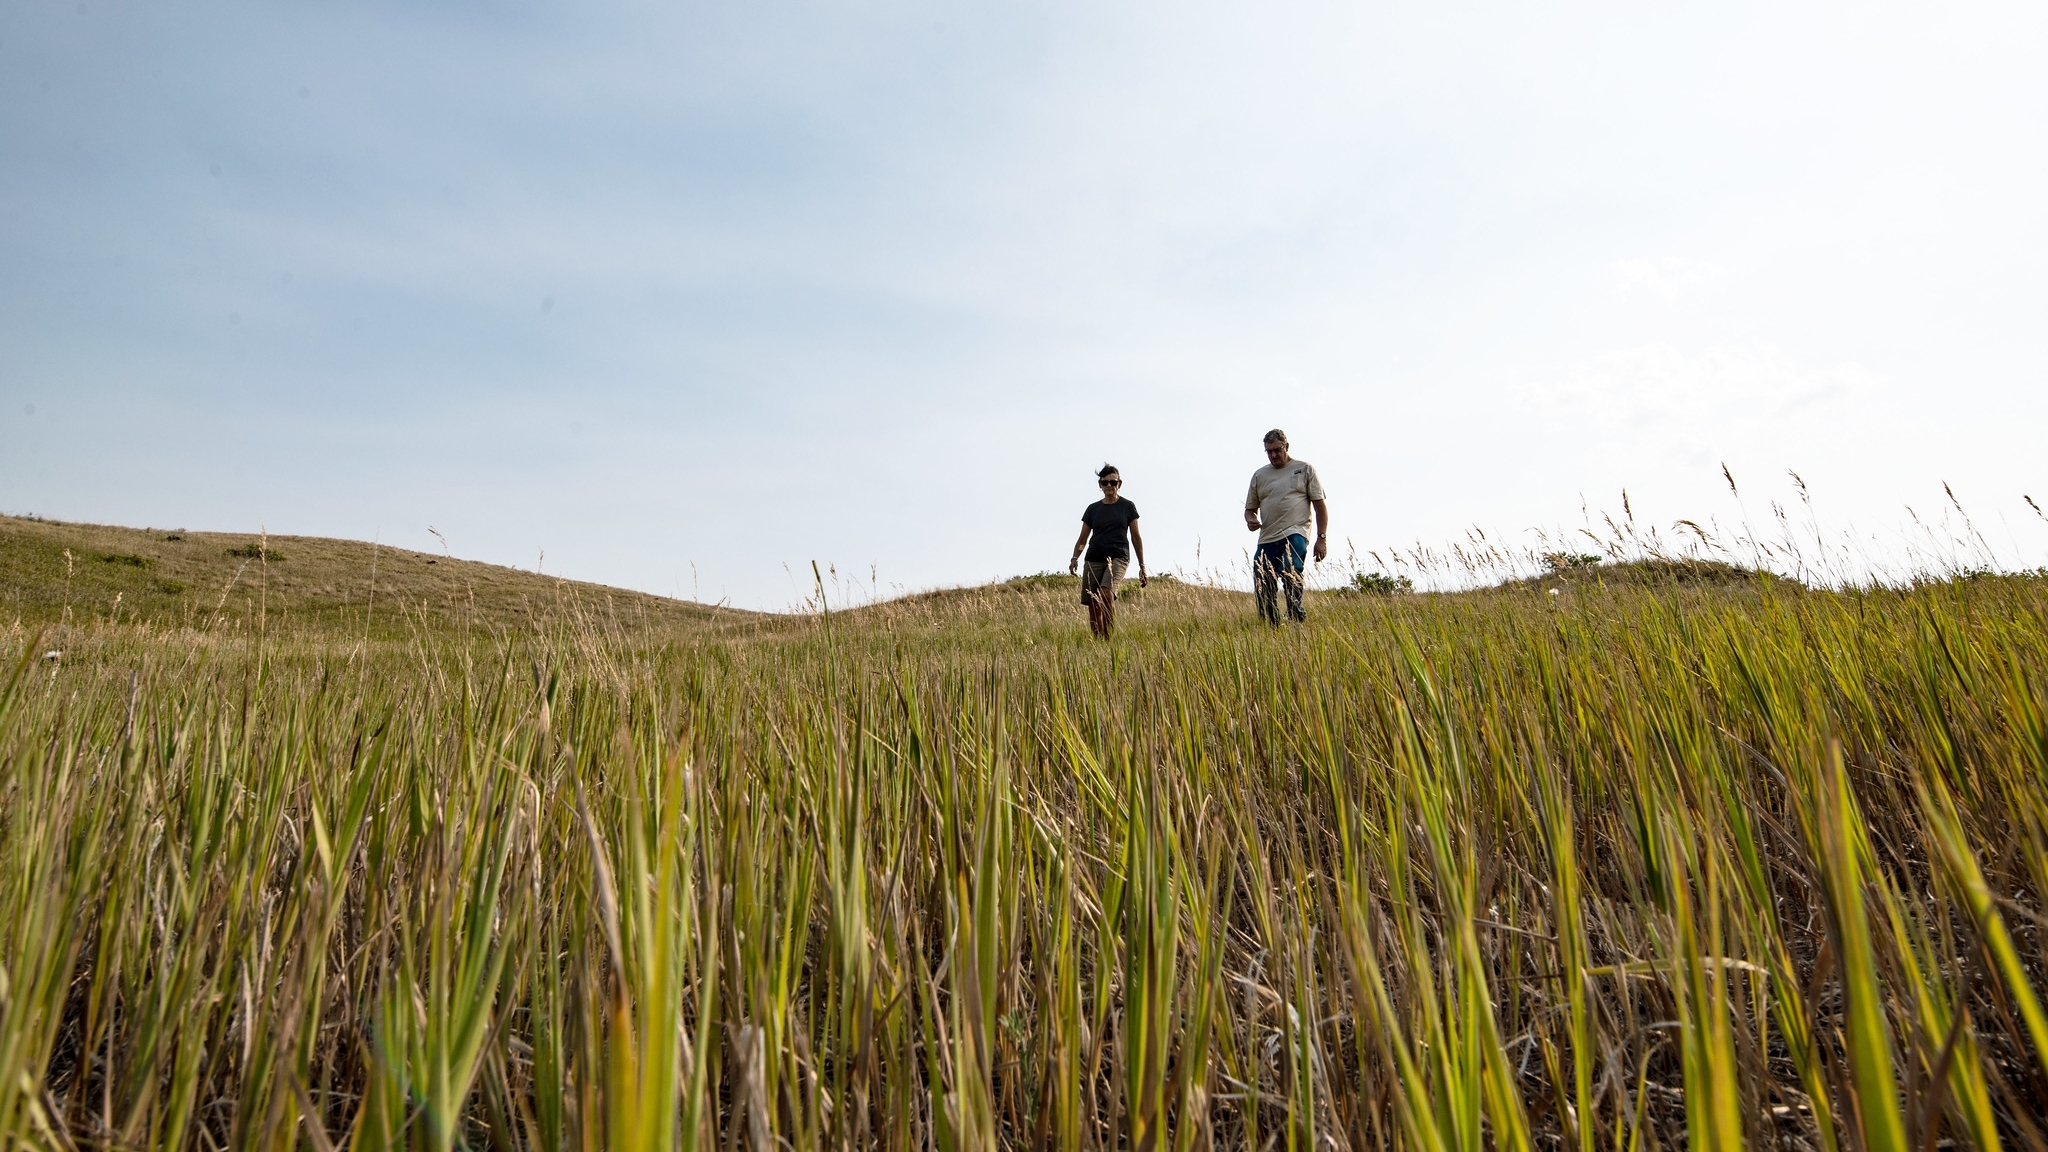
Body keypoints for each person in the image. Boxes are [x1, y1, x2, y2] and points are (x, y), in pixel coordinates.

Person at [1243, 429, 1326, 624]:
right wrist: (1251, 519)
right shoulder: (1260, 475)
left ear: (1286, 447)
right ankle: (1272, 624)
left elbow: (1320, 506)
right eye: (1268, 451)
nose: (1273, 455)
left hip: (1295, 531)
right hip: (1268, 537)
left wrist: (1321, 538)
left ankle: (1296, 615)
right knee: (1262, 579)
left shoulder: (1305, 469)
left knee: (1291, 569)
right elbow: (1250, 509)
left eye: (1276, 450)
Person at [1069, 464, 1147, 638]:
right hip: (1093, 558)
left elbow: (1136, 537)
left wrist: (1142, 565)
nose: (1109, 486)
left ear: (1120, 483)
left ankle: (1109, 637)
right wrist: (1075, 557)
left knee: (1106, 593)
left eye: (1113, 482)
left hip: (1119, 557)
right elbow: (1083, 539)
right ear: (1100, 485)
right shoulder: (1093, 509)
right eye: (1105, 483)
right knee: (1093, 604)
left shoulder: (1128, 507)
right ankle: (1098, 643)